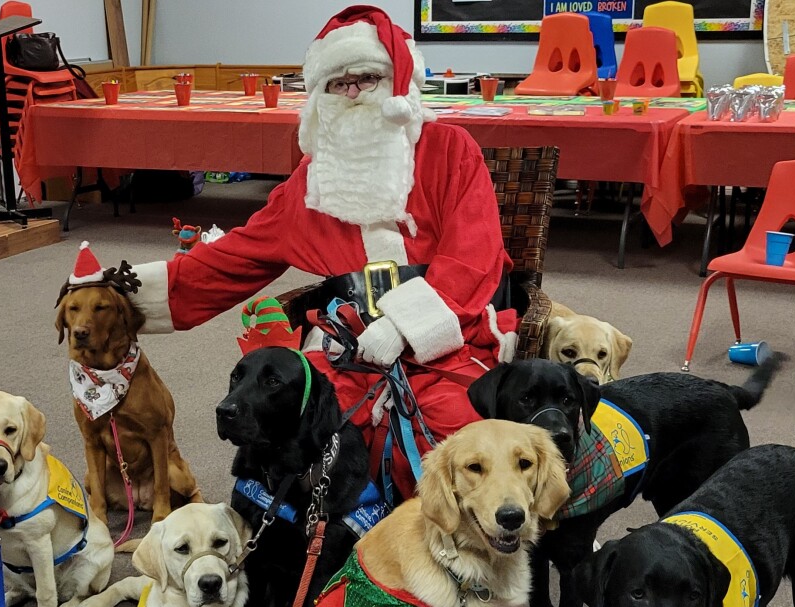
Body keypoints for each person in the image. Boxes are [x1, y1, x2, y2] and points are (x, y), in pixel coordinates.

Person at [129, 5, 517, 484]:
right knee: (302, 426)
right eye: (338, 84)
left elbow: (473, 255)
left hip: (446, 340)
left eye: (367, 79)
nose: (351, 93)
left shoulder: (451, 150)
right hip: (346, 344)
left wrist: (405, 325)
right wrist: (123, 295)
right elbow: (237, 256)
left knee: (460, 444)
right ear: (320, 96)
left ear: (397, 85)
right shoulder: (310, 182)